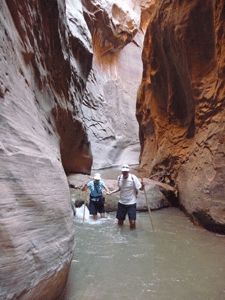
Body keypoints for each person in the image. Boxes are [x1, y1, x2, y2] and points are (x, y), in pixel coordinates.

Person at [107, 164, 144, 229]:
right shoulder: (119, 178)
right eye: (123, 172)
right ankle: (121, 235)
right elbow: (119, 188)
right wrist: (111, 192)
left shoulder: (133, 177)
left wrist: (143, 186)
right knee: (120, 221)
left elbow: (140, 188)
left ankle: (132, 236)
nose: (125, 173)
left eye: (126, 172)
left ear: (128, 171)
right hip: (122, 202)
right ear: (122, 172)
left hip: (131, 203)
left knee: (132, 222)